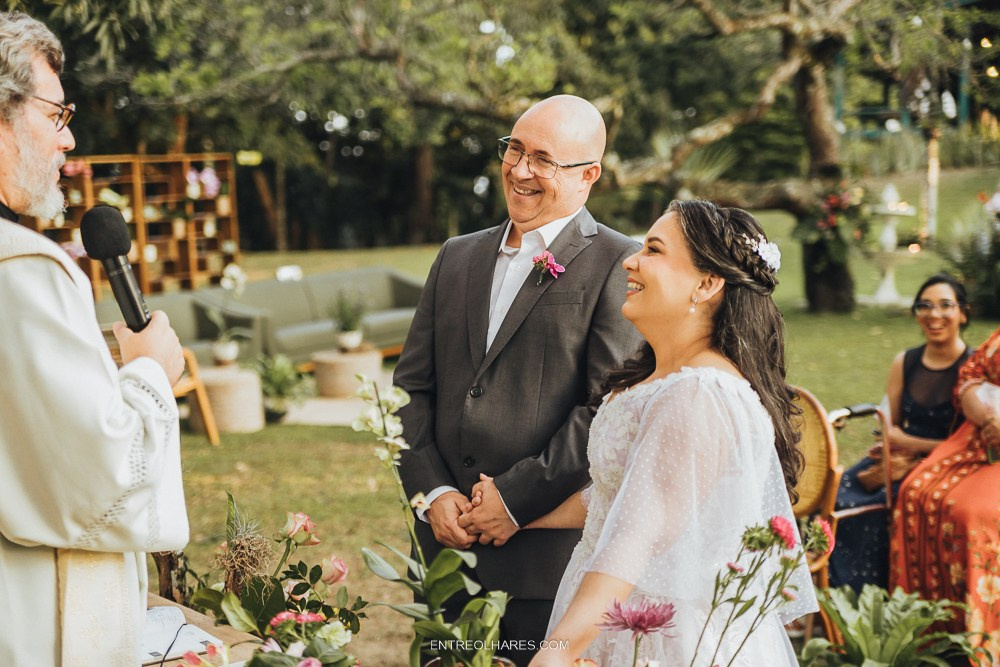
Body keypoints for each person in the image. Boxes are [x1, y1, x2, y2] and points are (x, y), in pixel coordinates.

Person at [394, 94, 643, 664]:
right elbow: (411, 389)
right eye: (515, 149)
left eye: (543, 159)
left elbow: (604, 409)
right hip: (443, 551)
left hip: (541, 560)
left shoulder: (617, 263)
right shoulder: (455, 257)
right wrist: (432, 493)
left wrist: (513, 500)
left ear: (589, 176)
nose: (521, 170)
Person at [514, 200, 817, 666]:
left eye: (653, 249)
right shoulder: (656, 379)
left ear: (707, 283)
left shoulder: (697, 394)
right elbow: (615, 499)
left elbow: (635, 535)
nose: (631, 260)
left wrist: (556, 653)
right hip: (612, 608)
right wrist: (516, 518)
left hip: (656, 634)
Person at [0, 11, 189, 666]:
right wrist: (149, 372)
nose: (69, 139)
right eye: (56, 115)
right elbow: (106, 487)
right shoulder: (21, 268)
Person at [829, 274, 972, 592]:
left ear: (963, 313)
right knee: (837, 493)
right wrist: (891, 442)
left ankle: (874, 593)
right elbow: (887, 423)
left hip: (947, 463)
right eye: (925, 306)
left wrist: (905, 441)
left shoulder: (973, 367)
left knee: (878, 506)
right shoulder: (905, 362)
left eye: (945, 305)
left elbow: (967, 441)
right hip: (898, 458)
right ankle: (835, 592)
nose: (934, 314)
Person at [890, 326, 1000, 658]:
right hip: (980, 440)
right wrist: (983, 415)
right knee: (916, 491)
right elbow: (972, 373)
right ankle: (926, 636)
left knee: (970, 515)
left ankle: (981, 644)